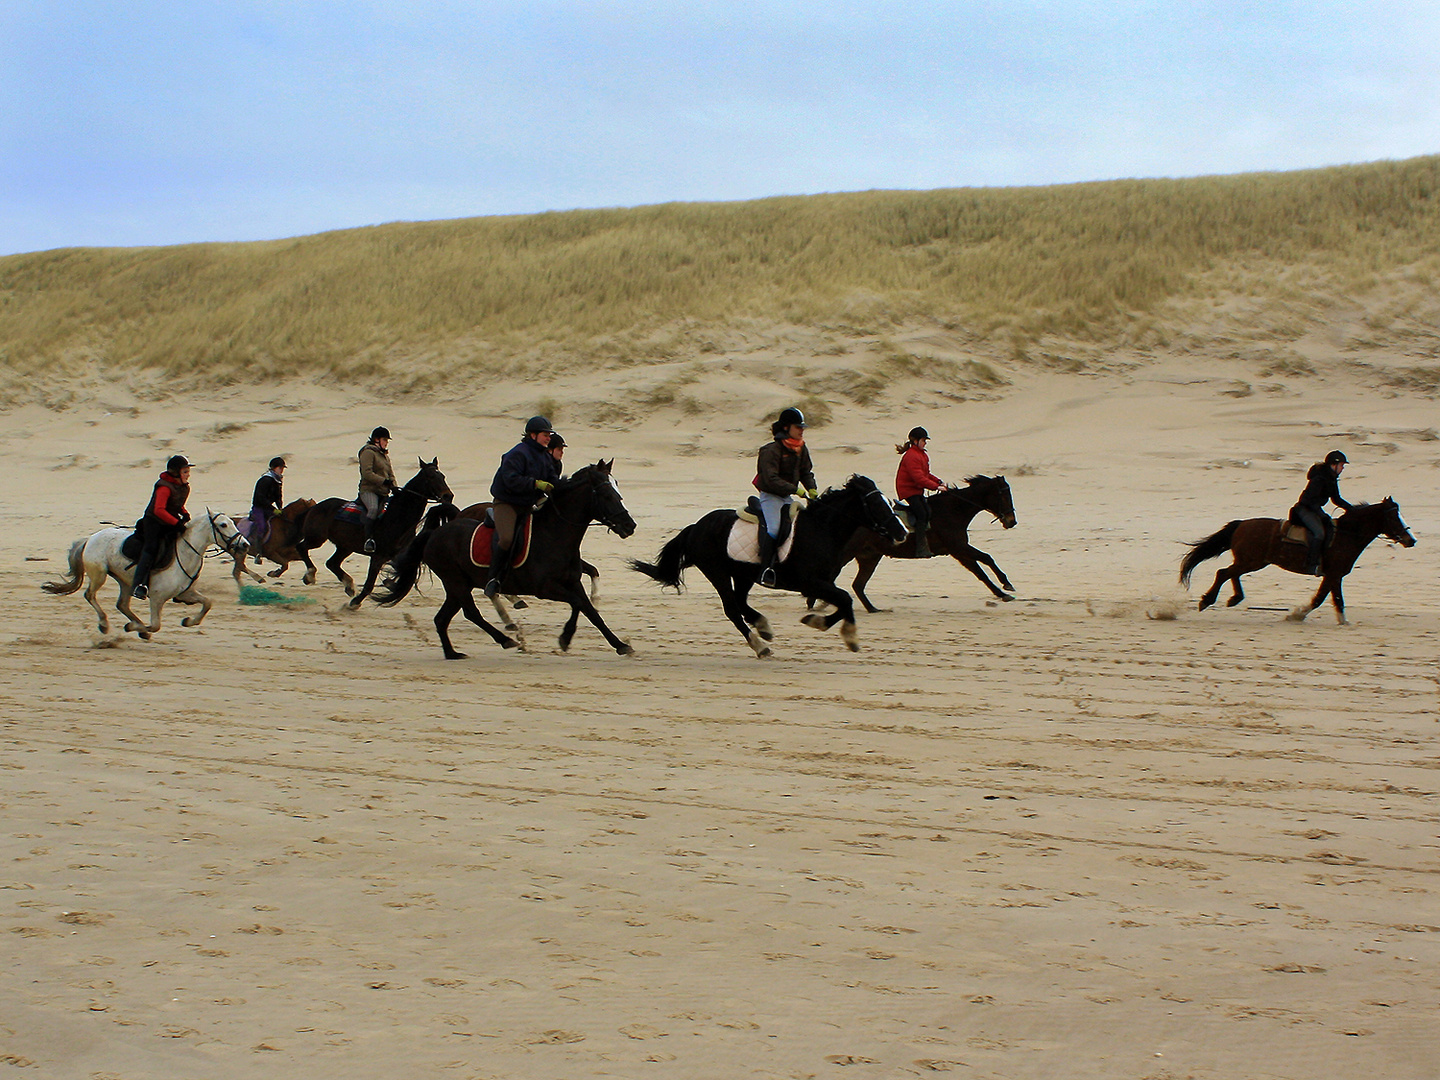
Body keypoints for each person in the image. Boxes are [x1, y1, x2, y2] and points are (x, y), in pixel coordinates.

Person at [485, 416, 560, 597]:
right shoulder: (517, 453)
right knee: (507, 539)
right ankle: (493, 579)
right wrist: (535, 484)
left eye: (549, 435)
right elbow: (511, 480)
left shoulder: (544, 456)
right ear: (532, 435)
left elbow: (552, 479)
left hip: (528, 504)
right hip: (507, 503)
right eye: (545, 434)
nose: (549, 438)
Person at [754, 406, 818, 587]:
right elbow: (770, 478)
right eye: (798, 427)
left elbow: (806, 472)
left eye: (802, 427)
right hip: (771, 496)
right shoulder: (770, 450)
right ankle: (765, 569)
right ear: (785, 428)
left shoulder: (801, 449)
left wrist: (812, 489)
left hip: (787, 496)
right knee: (774, 529)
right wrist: (795, 490)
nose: (802, 430)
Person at [130, 454, 193, 601]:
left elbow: (176, 504)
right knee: (151, 549)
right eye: (185, 471)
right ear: (176, 472)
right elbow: (159, 510)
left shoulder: (181, 486)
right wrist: (176, 523)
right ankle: (139, 585)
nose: (188, 475)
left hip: (169, 521)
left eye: (188, 471)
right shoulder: (164, 487)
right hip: (154, 522)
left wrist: (184, 513)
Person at [1291, 449, 1353, 575]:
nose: (1342, 469)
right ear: (1333, 465)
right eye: (1341, 465)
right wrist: (1321, 515)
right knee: (1319, 533)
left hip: (1313, 509)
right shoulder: (1320, 478)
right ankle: (1311, 564)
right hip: (1303, 509)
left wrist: (1352, 509)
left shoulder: (1331, 478)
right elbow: (1309, 501)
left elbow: (1336, 499)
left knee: (1331, 528)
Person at [895, 426, 948, 558]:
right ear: (915, 441)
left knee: (928, 511)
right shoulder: (911, 456)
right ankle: (920, 548)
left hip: (916, 490)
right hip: (908, 490)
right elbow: (918, 478)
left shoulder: (922, 455)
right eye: (923, 440)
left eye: (925, 441)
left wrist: (939, 481)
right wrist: (936, 487)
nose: (925, 443)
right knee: (922, 513)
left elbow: (926, 474)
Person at [358, 427, 397, 554]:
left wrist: (395, 487)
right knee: (373, 509)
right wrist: (383, 481)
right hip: (369, 490)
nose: (386, 443)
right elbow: (367, 473)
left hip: (383, 492)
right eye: (384, 440)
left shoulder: (384, 456)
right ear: (376, 440)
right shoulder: (368, 453)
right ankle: (368, 540)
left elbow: (391, 474)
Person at [248, 456, 286, 545]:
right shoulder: (265, 480)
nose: (282, 470)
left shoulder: (277, 480)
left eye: (282, 468)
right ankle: (258, 550)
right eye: (280, 468)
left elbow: (278, 496)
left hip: (269, 508)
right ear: (274, 468)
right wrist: (273, 509)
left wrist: (280, 508)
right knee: (261, 527)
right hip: (259, 508)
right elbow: (260, 499)